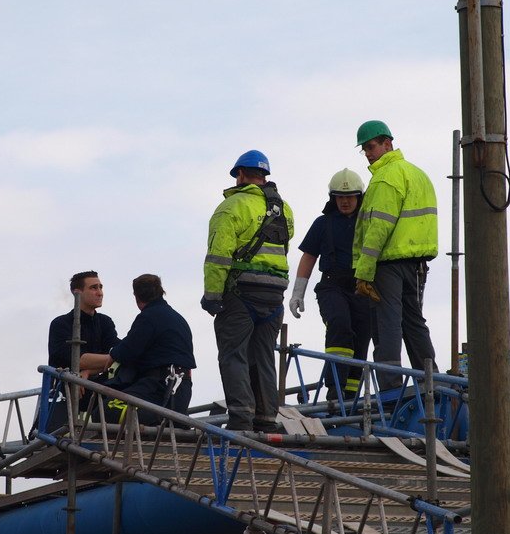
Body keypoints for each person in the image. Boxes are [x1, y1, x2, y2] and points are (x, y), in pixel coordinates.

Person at [202, 150, 294, 432]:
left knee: (234, 355)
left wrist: (213, 296)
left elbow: (218, 256)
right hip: (275, 295)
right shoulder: (284, 209)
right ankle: (266, 419)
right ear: (264, 175)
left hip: (241, 293)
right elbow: (284, 247)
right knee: (264, 356)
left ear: (240, 174)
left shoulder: (231, 207)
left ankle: (241, 419)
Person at [352, 121, 439, 390]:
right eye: (365, 148)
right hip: (415, 263)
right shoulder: (417, 174)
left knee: (388, 322)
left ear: (387, 144)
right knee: (414, 321)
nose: (368, 152)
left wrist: (363, 272)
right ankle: (431, 378)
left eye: (372, 146)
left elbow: (378, 228)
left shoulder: (385, 178)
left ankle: (390, 386)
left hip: (388, 263)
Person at [289, 169, 371, 400]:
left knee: (362, 336)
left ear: (359, 197)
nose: (345, 201)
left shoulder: (369, 223)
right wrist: (297, 294)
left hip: (362, 287)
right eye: (340, 197)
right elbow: (308, 257)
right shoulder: (322, 224)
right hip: (331, 286)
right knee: (339, 324)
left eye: (350, 196)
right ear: (333, 198)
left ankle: (352, 398)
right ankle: (335, 389)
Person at [79, 274, 195, 425]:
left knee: (104, 411)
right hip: (180, 390)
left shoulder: (148, 317)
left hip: (159, 387)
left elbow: (128, 351)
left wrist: (112, 355)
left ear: (136, 296)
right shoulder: (178, 319)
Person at [47, 271, 119, 375]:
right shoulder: (60, 324)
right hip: (66, 388)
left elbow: (116, 349)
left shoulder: (105, 322)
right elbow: (76, 360)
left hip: (99, 386)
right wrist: (117, 356)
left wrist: (89, 371)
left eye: (100, 287)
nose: (100, 293)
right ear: (77, 292)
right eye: (94, 288)